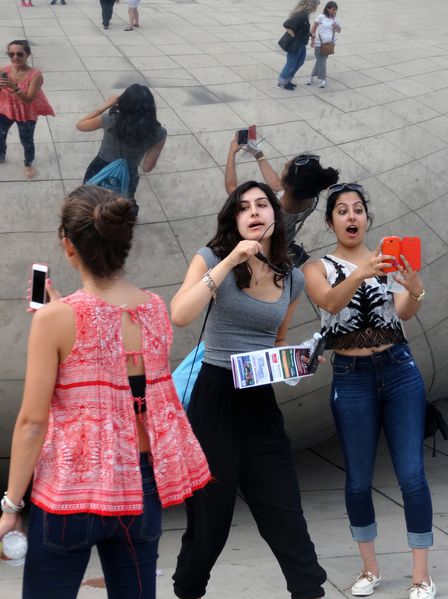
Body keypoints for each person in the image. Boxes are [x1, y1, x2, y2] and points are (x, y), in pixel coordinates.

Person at [0, 185, 211, 599]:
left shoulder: (56, 320)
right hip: (141, 488)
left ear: (68, 245)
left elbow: (31, 422)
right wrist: (63, 306)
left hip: (69, 494)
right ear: (125, 243)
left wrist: (10, 506)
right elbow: (114, 358)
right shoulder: (152, 308)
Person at [171, 180, 327, 599]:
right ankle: (188, 589)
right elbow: (180, 314)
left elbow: (274, 344)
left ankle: (309, 590)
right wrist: (228, 262)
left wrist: (299, 360)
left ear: (275, 215)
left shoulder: (291, 279)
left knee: (285, 514)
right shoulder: (211, 257)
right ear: (234, 219)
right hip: (214, 396)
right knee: (211, 520)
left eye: (262, 204)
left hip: (258, 401)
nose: (254, 211)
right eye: (244, 207)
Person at [303, 183, 435, 599]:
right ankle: (369, 568)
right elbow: (329, 302)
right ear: (330, 222)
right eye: (342, 210)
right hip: (351, 375)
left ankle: (421, 575)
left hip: (398, 369)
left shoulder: (387, 260)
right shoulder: (317, 267)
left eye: (358, 209)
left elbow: (403, 312)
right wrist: (360, 272)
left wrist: (413, 288)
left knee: (412, 474)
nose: (351, 216)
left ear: (367, 218)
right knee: (358, 478)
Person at [225, 133, 339, 266]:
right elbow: (278, 186)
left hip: (260, 246)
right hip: (282, 241)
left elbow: (231, 188)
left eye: (286, 167)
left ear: (289, 186)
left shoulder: (268, 208)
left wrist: (232, 151)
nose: (285, 164)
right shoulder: (310, 197)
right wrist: (259, 155)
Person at [76, 84, 166, 211]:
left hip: (100, 167)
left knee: (91, 200)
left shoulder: (110, 119)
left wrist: (106, 104)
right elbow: (147, 167)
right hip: (128, 174)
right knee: (121, 206)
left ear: (123, 102)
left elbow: (80, 125)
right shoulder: (159, 132)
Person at [0, 40, 54, 179]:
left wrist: (13, 87)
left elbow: (29, 99)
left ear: (28, 55)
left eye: (19, 54)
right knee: (0, 135)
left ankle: (28, 163)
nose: (15, 57)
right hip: (5, 110)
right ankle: (1, 155)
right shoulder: (3, 71)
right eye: (11, 54)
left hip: (26, 113)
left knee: (27, 140)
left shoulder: (35, 75)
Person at [278, 0, 320, 90]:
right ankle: (282, 82)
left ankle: (288, 80)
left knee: (300, 61)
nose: (316, 8)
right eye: (316, 5)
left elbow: (301, 29)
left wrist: (309, 34)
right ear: (311, 6)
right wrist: (294, 36)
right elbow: (287, 24)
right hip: (296, 44)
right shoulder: (302, 15)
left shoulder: (304, 15)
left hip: (301, 43)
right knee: (291, 62)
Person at [308, 1, 341, 88]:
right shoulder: (320, 17)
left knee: (320, 61)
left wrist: (336, 27)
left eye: (336, 10)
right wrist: (312, 40)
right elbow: (314, 28)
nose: (334, 11)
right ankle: (323, 79)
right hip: (319, 43)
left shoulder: (335, 19)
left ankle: (311, 76)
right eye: (333, 9)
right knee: (322, 61)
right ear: (328, 9)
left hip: (330, 44)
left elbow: (339, 31)